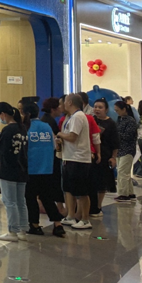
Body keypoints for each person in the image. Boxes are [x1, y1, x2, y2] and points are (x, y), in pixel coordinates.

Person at [20, 103, 65, 238]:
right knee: (47, 197)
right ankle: (58, 224)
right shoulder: (46, 126)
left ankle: (35, 225)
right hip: (47, 167)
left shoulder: (25, 128)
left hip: (31, 168)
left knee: (31, 198)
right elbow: (54, 145)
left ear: (25, 114)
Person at [0, 103, 28, 241]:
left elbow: (2, 151)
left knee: (9, 201)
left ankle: (12, 232)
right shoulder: (22, 128)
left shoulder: (8, 129)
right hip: (22, 168)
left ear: (3, 114)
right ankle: (23, 230)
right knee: (20, 201)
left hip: (8, 169)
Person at [58, 94, 93, 230]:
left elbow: (73, 137)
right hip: (69, 157)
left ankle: (85, 219)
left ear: (70, 102)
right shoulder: (71, 117)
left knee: (81, 191)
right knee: (69, 189)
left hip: (79, 159)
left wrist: (60, 134)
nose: (63, 104)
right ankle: (70, 216)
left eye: (65, 102)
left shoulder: (78, 116)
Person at [91, 98, 119, 213]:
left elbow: (115, 143)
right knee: (91, 181)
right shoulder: (91, 120)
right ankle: (91, 206)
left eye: (100, 107)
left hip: (105, 155)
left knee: (102, 182)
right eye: (95, 107)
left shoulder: (111, 123)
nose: (97, 109)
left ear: (106, 109)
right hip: (91, 155)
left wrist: (113, 157)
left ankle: (98, 205)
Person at [114, 100, 138, 202]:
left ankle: (123, 194)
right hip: (120, 149)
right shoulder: (119, 119)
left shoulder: (131, 121)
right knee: (125, 172)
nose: (116, 112)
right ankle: (130, 192)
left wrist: (115, 134)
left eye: (118, 110)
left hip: (128, 149)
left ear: (124, 109)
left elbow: (128, 136)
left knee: (122, 172)